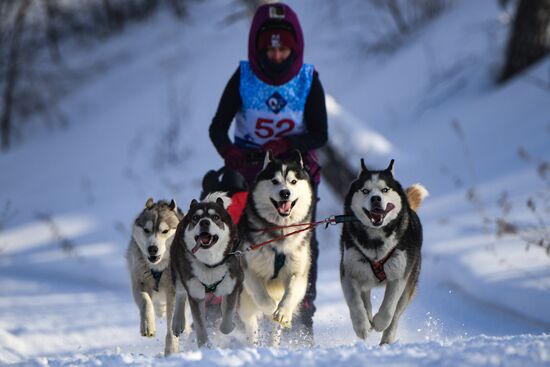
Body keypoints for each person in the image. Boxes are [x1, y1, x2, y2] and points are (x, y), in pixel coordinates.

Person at [208, 2, 327, 342]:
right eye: (269, 48)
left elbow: (320, 133)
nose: (276, 55)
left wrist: (288, 142)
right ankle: (216, 306)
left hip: (295, 172)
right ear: (257, 48)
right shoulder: (243, 77)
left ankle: (301, 316)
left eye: (283, 48)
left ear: (295, 47)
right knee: (226, 232)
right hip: (247, 170)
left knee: (304, 247)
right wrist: (231, 154)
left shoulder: (307, 79)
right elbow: (218, 127)